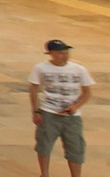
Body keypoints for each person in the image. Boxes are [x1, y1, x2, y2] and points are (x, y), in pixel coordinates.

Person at [30, 39, 92, 177]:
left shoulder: (79, 69)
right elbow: (34, 89)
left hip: (72, 117)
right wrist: (36, 111)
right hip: (48, 113)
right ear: (50, 53)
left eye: (66, 52)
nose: (64, 55)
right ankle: (44, 174)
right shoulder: (40, 68)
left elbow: (87, 92)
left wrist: (76, 106)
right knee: (44, 146)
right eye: (60, 53)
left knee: (76, 148)